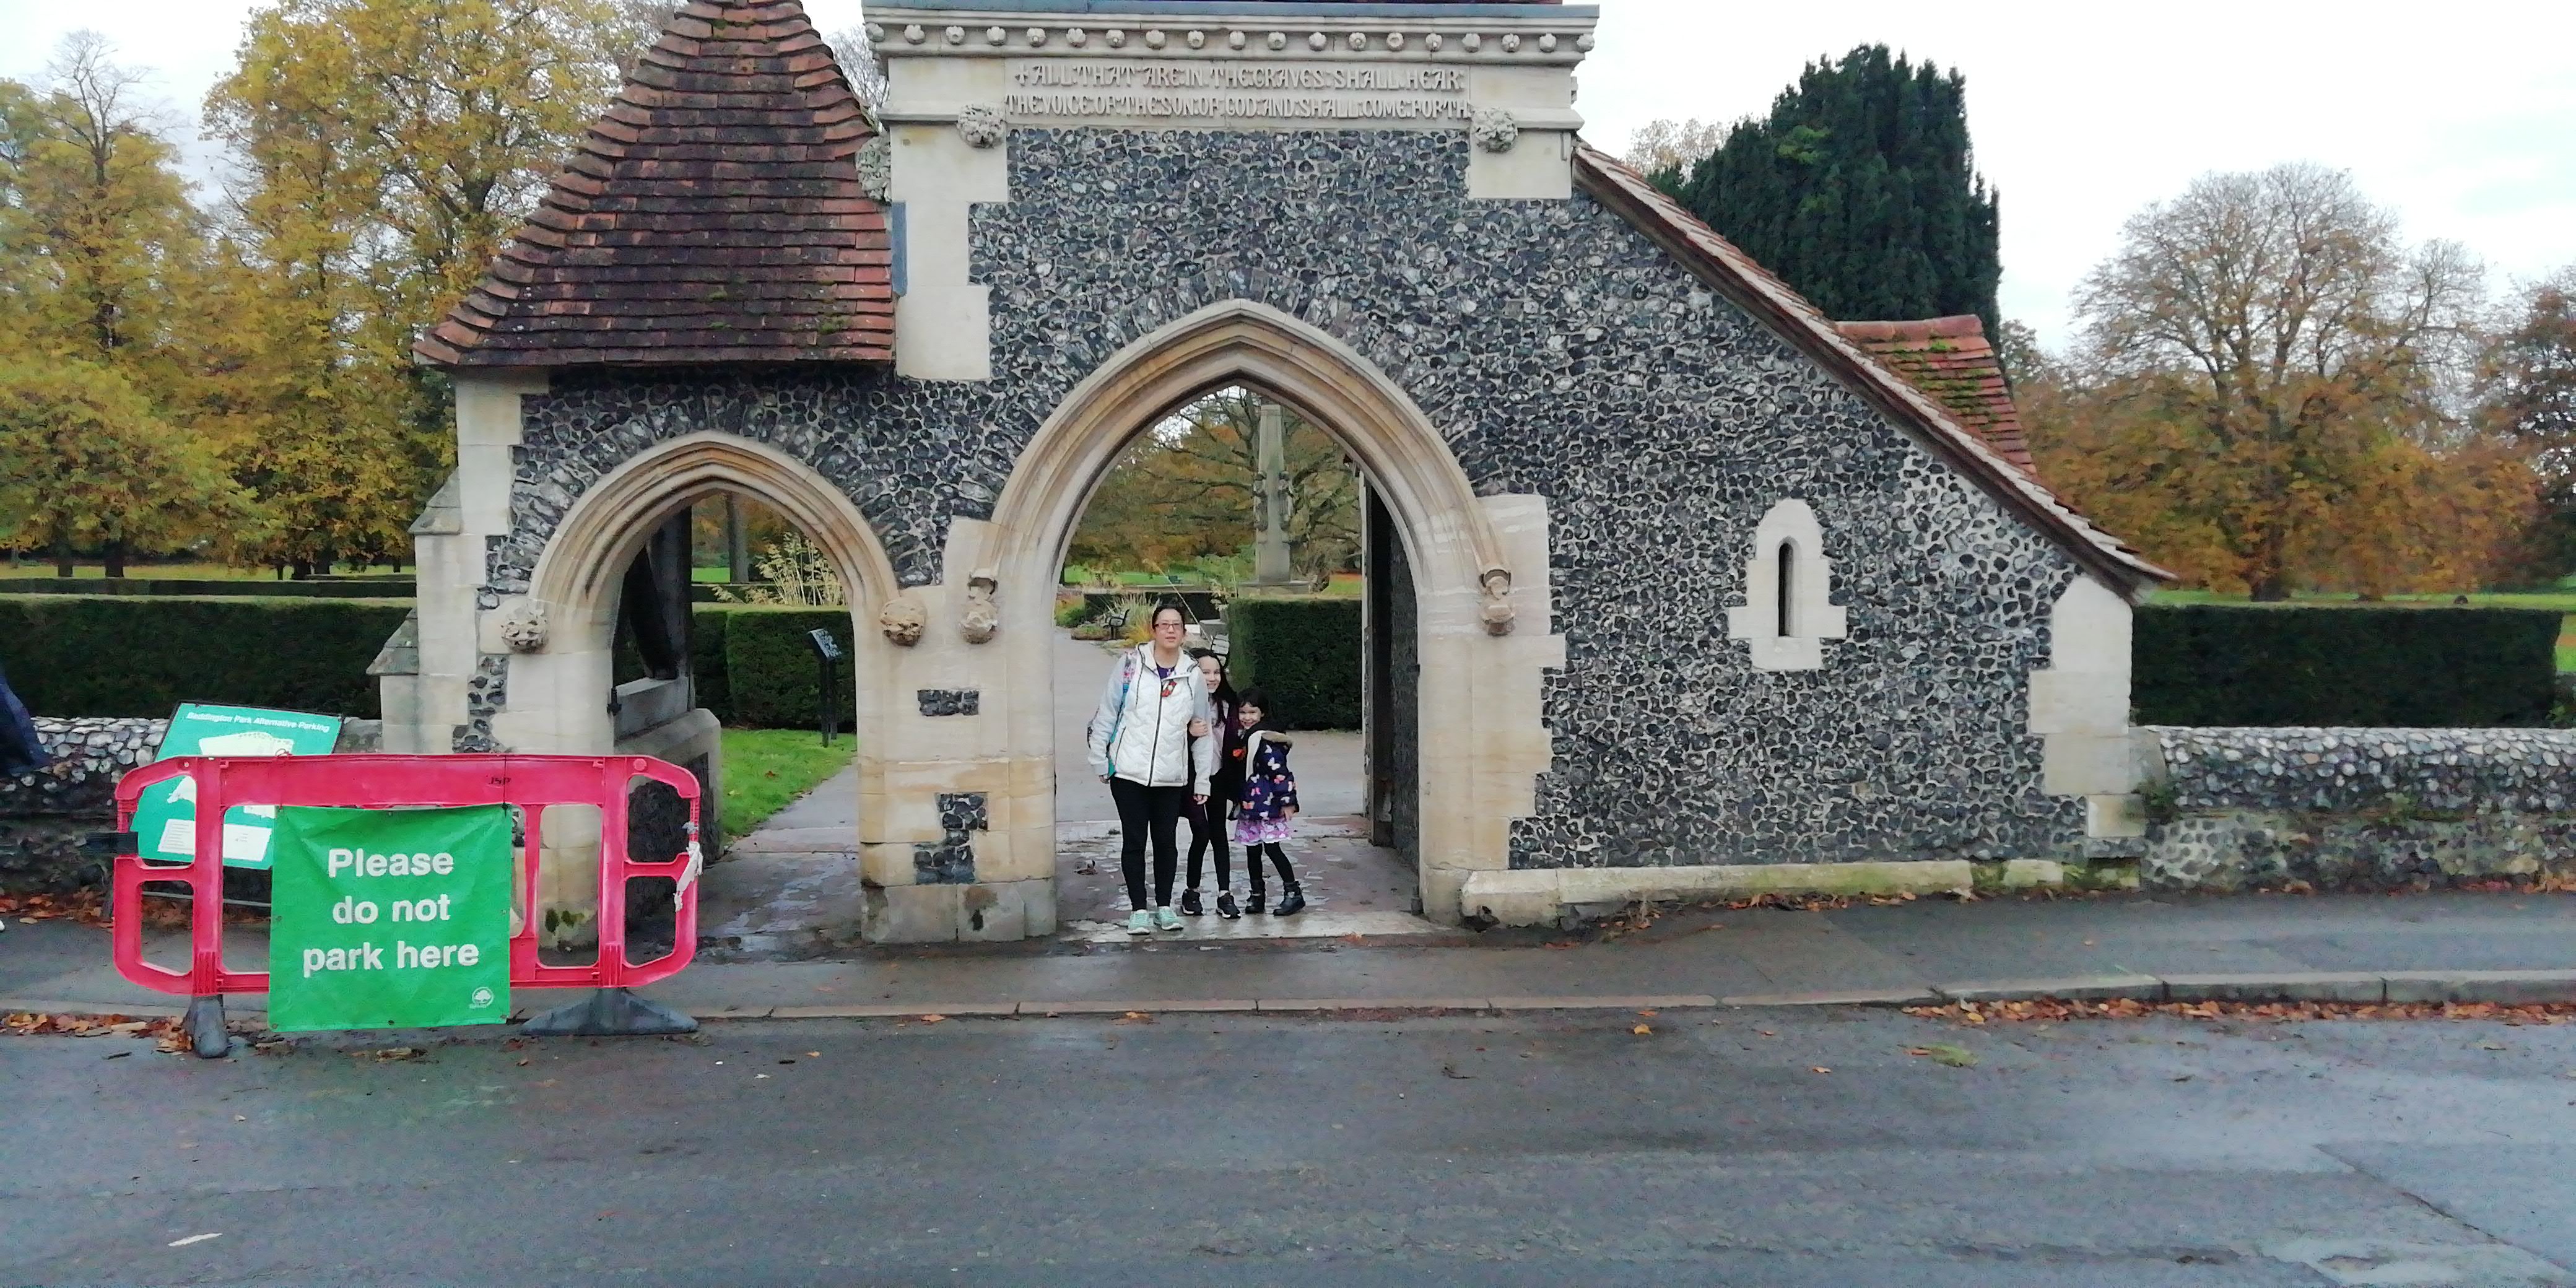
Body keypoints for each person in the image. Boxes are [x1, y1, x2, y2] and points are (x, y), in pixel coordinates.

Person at [1086, 603, 1217, 935]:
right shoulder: (1131, 664)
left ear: (1184, 632)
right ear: (1154, 630)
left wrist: (1202, 780)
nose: (1171, 630)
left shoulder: (1192, 674)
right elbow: (1108, 712)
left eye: (1177, 625)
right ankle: (1138, 910)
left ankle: (1164, 906)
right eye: (1164, 625)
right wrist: (1100, 759)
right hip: (1129, 771)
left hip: (1170, 775)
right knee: (1134, 841)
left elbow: (1202, 728)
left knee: (1166, 841)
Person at [1230, 687, 1305, 916]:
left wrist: (1287, 801)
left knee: (1273, 848)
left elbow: (1280, 772)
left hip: (1268, 805)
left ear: (1262, 713)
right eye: (1243, 712)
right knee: (1252, 851)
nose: (1247, 717)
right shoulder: (1244, 737)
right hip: (1250, 806)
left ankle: (1293, 893)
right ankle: (1257, 894)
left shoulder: (1265, 739)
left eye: (1252, 712)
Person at [1179, 649, 1240, 919]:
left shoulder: (1228, 705)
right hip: (1190, 779)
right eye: (1206, 672)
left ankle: (1225, 894)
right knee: (1201, 833)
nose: (1213, 677)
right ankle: (1192, 891)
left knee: (1219, 835)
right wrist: (1188, 732)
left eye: (1217, 672)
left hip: (1218, 778)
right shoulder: (1182, 702)